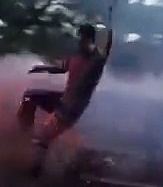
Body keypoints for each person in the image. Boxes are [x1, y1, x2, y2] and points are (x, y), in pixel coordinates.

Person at [18, 22, 113, 172]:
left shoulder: (96, 61)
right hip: (62, 100)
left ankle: (36, 168)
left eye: (84, 38)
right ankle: (21, 132)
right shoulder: (76, 56)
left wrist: (110, 33)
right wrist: (41, 68)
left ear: (90, 39)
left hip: (72, 108)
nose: (80, 41)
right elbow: (61, 68)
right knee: (30, 96)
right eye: (79, 38)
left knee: (45, 135)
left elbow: (105, 52)